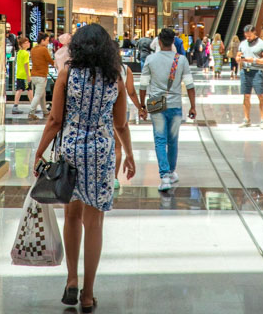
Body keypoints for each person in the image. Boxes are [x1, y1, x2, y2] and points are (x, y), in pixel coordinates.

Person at [33, 24, 135, 312]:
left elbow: (54, 120)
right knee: (95, 222)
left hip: (72, 150)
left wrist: (39, 152)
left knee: (71, 216)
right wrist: (128, 154)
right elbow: (120, 124)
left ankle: (71, 280)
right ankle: (88, 294)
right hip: (102, 152)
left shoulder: (67, 73)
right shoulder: (115, 78)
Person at [139, 28, 196, 192]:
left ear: (159, 41)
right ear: (173, 41)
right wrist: (193, 106)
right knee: (172, 141)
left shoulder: (150, 59)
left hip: (156, 104)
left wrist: (142, 106)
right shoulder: (181, 60)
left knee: (159, 140)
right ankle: (171, 172)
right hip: (175, 104)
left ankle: (164, 176)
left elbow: (143, 85)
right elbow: (190, 86)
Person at [114, 57, 143, 191]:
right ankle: (114, 178)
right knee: (117, 147)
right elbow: (130, 91)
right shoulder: (125, 69)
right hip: (120, 110)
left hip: (101, 113)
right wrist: (140, 107)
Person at [237, 25, 263, 128]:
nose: (248, 37)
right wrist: (239, 58)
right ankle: (246, 119)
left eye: (249, 35)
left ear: (254, 33)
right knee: (246, 95)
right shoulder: (243, 44)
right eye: (246, 35)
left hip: (257, 71)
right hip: (245, 71)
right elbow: (238, 55)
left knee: (260, 95)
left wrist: (254, 60)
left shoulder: (262, 44)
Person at [28, 33, 54, 120]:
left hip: (34, 75)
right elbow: (50, 60)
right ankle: (31, 112)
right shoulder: (44, 49)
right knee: (38, 95)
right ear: (42, 40)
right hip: (41, 75)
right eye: (47, 40)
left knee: (42, 95)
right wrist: (57, 64)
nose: (48, 42)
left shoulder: (33, 49)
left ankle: (45, 111)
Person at [11, 37, 30, 115]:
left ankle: (33, 105)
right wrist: (28, 75)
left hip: (19, 74)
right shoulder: (26, 53)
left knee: (29, 90)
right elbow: (26, 64)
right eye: (26, 42)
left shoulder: (19, 52)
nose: (28, 43)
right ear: (22, 44)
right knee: (21, 90)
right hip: (24, 75)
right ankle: (15, 106)